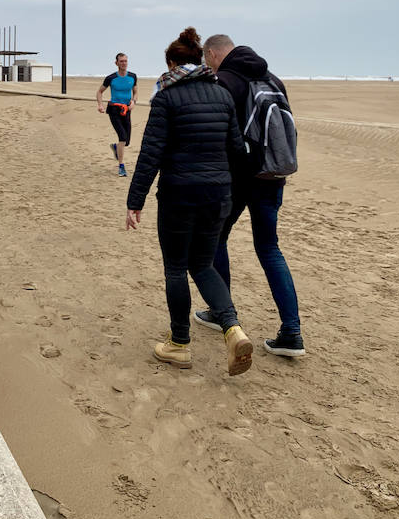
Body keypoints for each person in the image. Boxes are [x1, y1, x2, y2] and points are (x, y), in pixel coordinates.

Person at [126, 27, 253, 376]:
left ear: (171, 63)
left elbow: (151, 154)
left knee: (176, 267)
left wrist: (135, 201)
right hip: (218, 194)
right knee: (203, 264)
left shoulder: (167, 97)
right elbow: (236, 151)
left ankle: (179, 344)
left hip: (179, 195)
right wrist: (230, 191)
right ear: (198, 60)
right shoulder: (222, 95)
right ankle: (233, 329)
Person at [195, 34, 305, 358]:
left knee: (215, 238)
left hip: (238, 179)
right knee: (269, 248)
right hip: (272, 176)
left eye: (206, 59)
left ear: (213, 54)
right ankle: (292, 332)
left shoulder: (225, 80)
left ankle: (221, 312)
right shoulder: (273, 79)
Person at [97, 53, 138, 177]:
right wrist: (100, 105)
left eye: (125, 61)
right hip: (114, 110)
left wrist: (133, 102)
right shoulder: (111, 78)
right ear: (116, 63)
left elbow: (135, 92)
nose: (124, 63)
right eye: (121, 61)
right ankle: (121, 166)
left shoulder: (133, 76)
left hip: (126, 110)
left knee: (127, 141)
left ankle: (116, 148)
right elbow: (99, 91)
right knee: (122, 137)